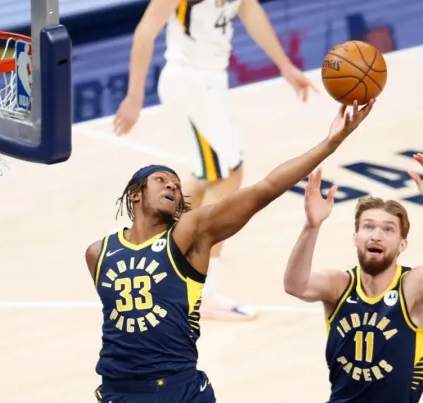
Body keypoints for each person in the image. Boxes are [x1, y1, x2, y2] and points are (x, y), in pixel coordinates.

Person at [88, 100, 373, 403]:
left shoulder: (190, 233)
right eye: (161, 180)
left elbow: (263, 189)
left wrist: (330, 143)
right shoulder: (98, 253)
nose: (172, 184)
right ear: (135, 194)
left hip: (182, 390)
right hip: (125, 394)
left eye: (176, 184)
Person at [113, 0, 318, 321]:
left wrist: (285, 66)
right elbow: (144, 33)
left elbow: (249, 10)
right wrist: (135, 96)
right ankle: (202, 292)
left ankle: (164, 258)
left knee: (208, 175)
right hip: (190, 84)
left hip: (210, 83)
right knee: (228, 176)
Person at [282, 154, 423, 403]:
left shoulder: (413, 288)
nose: (376, 235)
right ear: (356, 238)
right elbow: (295, 285)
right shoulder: (340, 285)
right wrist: (311, 226)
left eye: (388, 229)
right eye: (368, 227)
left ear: (402, 245)